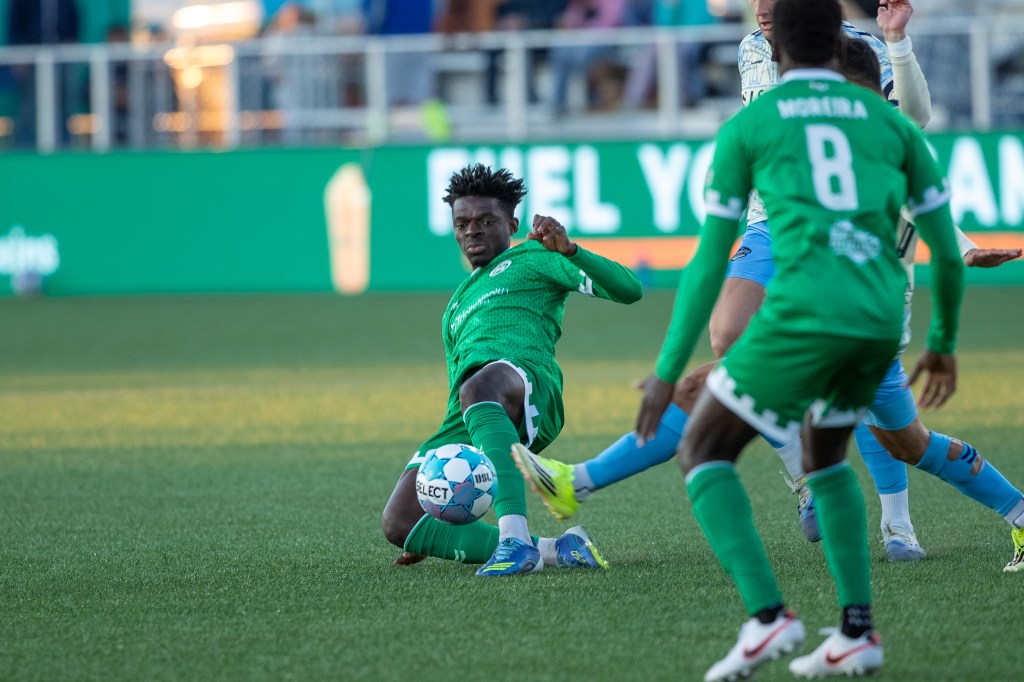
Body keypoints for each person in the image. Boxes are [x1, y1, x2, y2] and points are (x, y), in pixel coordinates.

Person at [513, 0, 1024, 570]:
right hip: (819, 277)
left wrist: (898, 47)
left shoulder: (856, 113)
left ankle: (850, 570)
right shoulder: (770, 89)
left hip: (854, 300)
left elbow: (915, 143)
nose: (758, 11)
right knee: (738, 363)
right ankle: (856, 584)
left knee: (893, 439)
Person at [640, 0, 963, 676]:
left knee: (702, 449)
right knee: (826, 452)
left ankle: (767, 619)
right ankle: (857, 631)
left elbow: (708, 262)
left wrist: (670, 366)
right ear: (838, 39)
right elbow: (948, 251)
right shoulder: (891, 123)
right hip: (879, 318)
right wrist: (942, 340)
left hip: (806, 312)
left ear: (774, 51)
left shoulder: (752, 123)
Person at [380, 164, 644, 576]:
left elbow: (630, 290)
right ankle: (561, 549)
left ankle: (514, 542)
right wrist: (438, 528)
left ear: (512, 223)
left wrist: (571, 250)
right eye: (462, 223)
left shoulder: (536, 255)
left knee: (479, 386)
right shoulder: (455, 305)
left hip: (526, 383)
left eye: (486, 221)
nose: (473, 231)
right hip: (473, 407)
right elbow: (460, 388)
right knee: (399, 522)